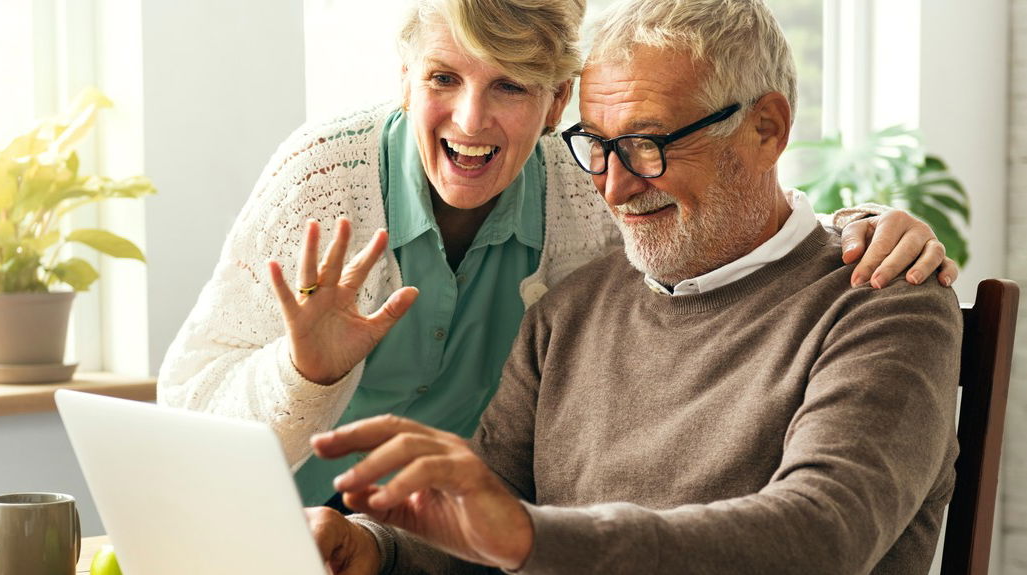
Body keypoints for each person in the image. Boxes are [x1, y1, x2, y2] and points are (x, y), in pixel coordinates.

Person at [157, 0, 955, 509]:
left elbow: (721, 199)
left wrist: (858, 225)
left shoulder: (588, 175)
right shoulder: (323, 178)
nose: (470, 120)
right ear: (404, 80)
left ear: (554, 102)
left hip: (473, 534)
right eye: (442, 77)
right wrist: (303, 373)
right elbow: (186, 420)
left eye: (510, 85)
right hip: (301, 531)